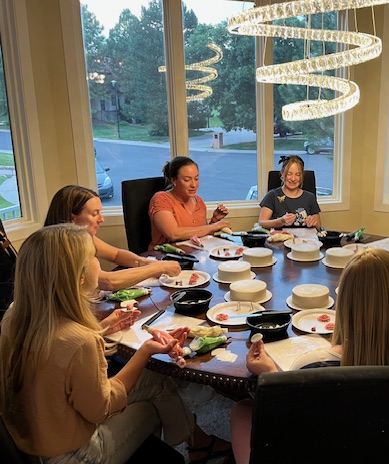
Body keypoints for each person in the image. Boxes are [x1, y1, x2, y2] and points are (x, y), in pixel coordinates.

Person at [0, 224, 231, 463]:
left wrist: (104, 327)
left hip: (32, 438)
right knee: (155, 404)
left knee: (156, 380)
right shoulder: (79, 341)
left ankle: (196, 443)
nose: (99, 265)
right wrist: (145, 351)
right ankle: (193, 446)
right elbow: (102, 408)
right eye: (93, 258)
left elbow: (55, 355)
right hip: (75, 454)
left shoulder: (14, 315)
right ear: (79, 278)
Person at [230, 248, 389, 463]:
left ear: (343, 302)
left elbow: (291, 431)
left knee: (242, 411)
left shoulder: (310, 368)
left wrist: (271, 374)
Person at [44, 185, 181, 292]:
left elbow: (116, 254)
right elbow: (107, 282)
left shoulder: (85, 237)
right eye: (94, 214)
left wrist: (144, 262)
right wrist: (158, 268)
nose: (101, 219)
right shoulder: (63, 248)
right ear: (72, 218)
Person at [149, 156, 231, 248]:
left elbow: (201, 235)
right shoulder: (161, 199)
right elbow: (173, 234)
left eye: (196, 179)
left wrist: (214, 220)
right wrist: (214, 226)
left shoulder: (199, 201)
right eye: (187, 180)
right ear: (174, 181)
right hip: (165, 257)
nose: (194, 185)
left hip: (193, 254)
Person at [258, 155, 321, 229]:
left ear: (301, 177)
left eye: (297, 174)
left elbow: (319, 227)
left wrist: (313, 222)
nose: (293, 179)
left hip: (304, 239)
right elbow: (262, 223)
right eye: (289, 174)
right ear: (282, 174)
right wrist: (281, 221)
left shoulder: (310, 197)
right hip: (279, 238)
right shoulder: (272, 195)